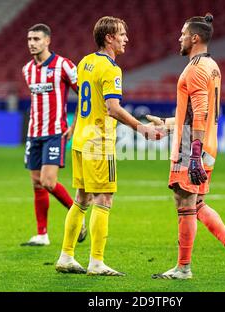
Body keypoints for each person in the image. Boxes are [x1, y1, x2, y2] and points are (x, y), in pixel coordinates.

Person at [55, 16, 164, 276]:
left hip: (80, 139)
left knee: (81, 199)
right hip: (98, 143)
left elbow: (85, 97)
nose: (126, 38)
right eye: (122, 34)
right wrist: (142, 128)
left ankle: (66, 256)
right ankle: (96, 262)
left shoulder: (85, 62)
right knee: (104, 198)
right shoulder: (111, 69)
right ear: (109, 38)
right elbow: (112, 109)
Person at [148, 13, 225, 280]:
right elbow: (194, 112)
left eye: (182, 34)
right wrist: (168, 124)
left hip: (192, 147)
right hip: (209, 145)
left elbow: (201, 112)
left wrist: (192, 155)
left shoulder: (194, 69)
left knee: (183, 202)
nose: (178, 38)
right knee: (198, 202)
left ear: (194, 38)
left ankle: (183, 268)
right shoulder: (212, 66)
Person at [21, 23, 86, 246]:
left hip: (54, 133)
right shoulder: (27, 69)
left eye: (36, 39)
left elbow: (84, 95)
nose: (32, 43)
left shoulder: (64, 65)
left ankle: (77, 215)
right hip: (33, 133)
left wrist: (75, 125)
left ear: (47, 41)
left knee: (49, 182)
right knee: (37, 184)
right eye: (29, 39)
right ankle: (42, 234)